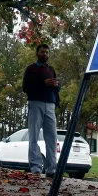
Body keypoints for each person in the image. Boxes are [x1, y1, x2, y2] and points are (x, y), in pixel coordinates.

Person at [22, 44, 60, 177]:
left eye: (47, 52)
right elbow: (25, 87)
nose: (45, 54)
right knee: (34, 136)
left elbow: (56, 89)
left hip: (50, 105)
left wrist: (56, 85)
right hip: (35, 103)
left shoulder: (51, 69)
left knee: (52, 137)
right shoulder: (31, 69)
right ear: (37, 53)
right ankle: (36, 168)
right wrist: (44, 83)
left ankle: (51, 169)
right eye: (42, 52)